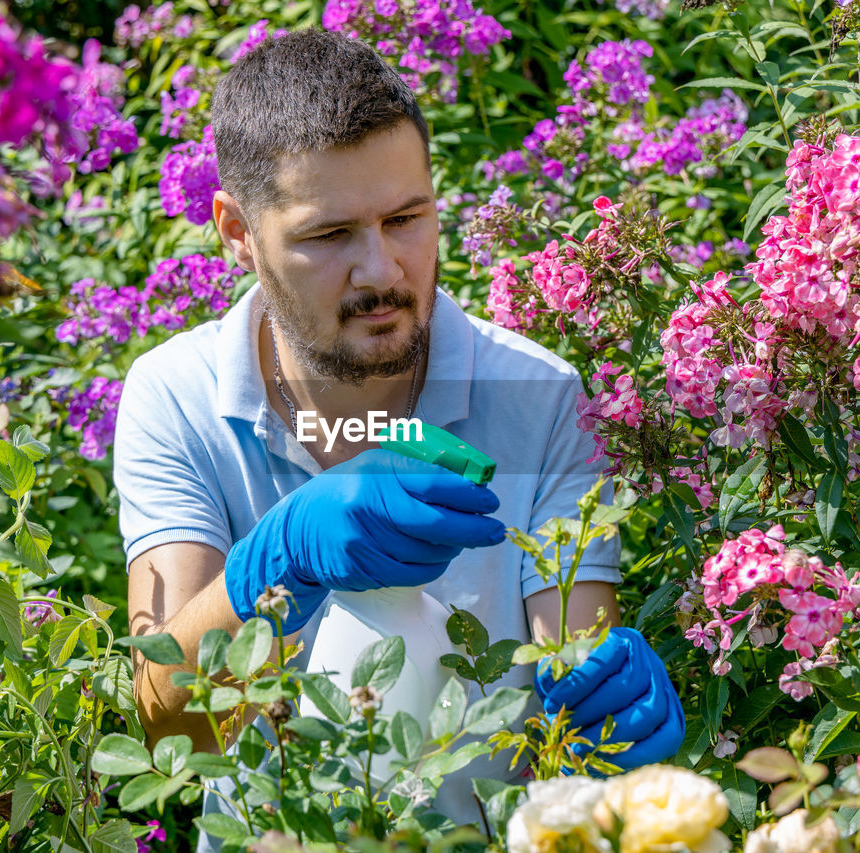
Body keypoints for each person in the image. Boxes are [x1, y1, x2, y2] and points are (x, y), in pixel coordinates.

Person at [114, 28, 683, 849]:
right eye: (329, 234)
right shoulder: (177, 396)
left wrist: (610, 722)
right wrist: (279, 561)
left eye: (407, 218)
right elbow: (170, 727)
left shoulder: (538, 396)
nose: (382, 270)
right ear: (238, 232)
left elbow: (574, 674)